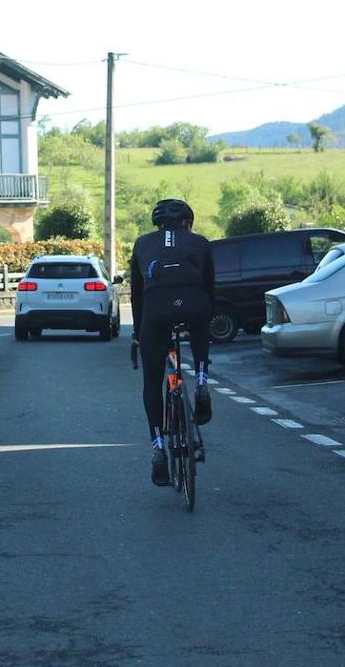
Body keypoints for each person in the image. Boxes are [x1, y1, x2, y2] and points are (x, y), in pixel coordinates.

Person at [130, 198, 215, 486]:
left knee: (152, 383)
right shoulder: (201, 243)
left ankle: (157, 450)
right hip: (193, 304)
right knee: (202, 322)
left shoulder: (142, 244)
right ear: (187, 222)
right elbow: (210, 287)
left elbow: (136, 295)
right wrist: (204, 318)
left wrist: (137, 336)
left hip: (155, 310)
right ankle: (202, 381)